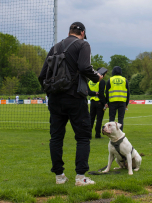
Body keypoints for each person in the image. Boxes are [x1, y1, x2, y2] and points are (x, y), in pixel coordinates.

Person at [38, 22, 103, 186]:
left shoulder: (55, 47)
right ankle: (81, 177)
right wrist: (97, 77)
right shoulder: (83, 45)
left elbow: (42, 75)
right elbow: (84, 67)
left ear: (69, 32)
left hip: (55, 98)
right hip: (75, 97)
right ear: (82, 33)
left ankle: (59, 176)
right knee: (82, 137)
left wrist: (51, 92)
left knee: (56, 137)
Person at [105, 66, 130, 131]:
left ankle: (110, 132)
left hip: (112, 102)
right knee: (120, 119)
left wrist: (107, 102)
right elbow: (128, 93)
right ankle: (120, 133)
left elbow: (107, 92)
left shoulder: (110, 80)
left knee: (111, 119)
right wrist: (126, 103)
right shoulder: (125, 80)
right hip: (122, 102)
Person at [88, 68, 107, 139]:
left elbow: (88, 92)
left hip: (92, 102)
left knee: (91, 119)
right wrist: (105, 103)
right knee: (99, 119)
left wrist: (94, 93)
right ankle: (97, 134)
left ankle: (88, 134)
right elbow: (101, 93)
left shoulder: (90, 81)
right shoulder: (101, 81)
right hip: (99, 102)